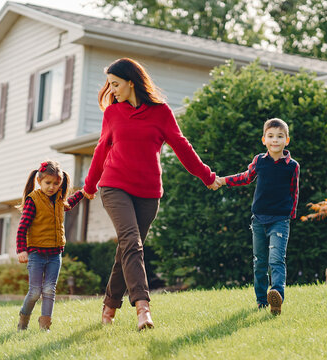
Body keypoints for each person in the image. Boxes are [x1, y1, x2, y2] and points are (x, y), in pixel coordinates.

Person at [82, 58, 220, 330]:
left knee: (127, 250)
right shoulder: (112, 113)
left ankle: (109, 307)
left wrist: (207, 176)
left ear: (131, 81)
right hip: (114, 186)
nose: (112, 90)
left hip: (148, 192)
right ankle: (142, 309)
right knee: (132, 243)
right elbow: (101, 149)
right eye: (109, 85)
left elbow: (182, 146)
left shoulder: (161, 112)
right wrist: (89, 185)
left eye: (116, 84)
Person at [216, 118, 300, 315]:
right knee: (259, 263)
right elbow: (245, 177)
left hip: (280, 220)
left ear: (287, 140)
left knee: (276, 260)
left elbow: (294, 192)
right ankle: (262, 302)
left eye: (280, 137)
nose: (275, 140)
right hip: (259, 220)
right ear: (264, 140)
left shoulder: (292, 166)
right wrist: (223, 181)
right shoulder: (259, 161)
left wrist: (290, 215)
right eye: (271, 136)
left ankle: (276, 293)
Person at [15, 160, 84, 331]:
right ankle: (23, 321)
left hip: (55, 254)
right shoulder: (33, 201)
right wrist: (21, 250)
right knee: (35, 292)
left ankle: (45, 327)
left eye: (56, 183)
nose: (51, 187)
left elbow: (70, 203)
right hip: (36, 253)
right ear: (39, 181)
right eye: (48, 183)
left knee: (49, 290)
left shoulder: (59, 200)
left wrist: (84, 192)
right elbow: (22, 227)